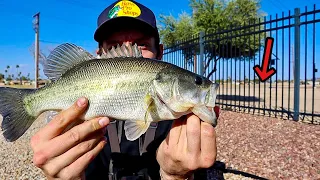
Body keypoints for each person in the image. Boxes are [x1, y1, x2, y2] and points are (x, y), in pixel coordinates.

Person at [30, 0, 220, 179]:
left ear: (160, 52)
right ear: (99, 54)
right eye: (115, 46)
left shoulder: (182, 124)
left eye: (142, 45)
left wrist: (177, 176)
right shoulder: (78, 127)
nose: (129, 53)